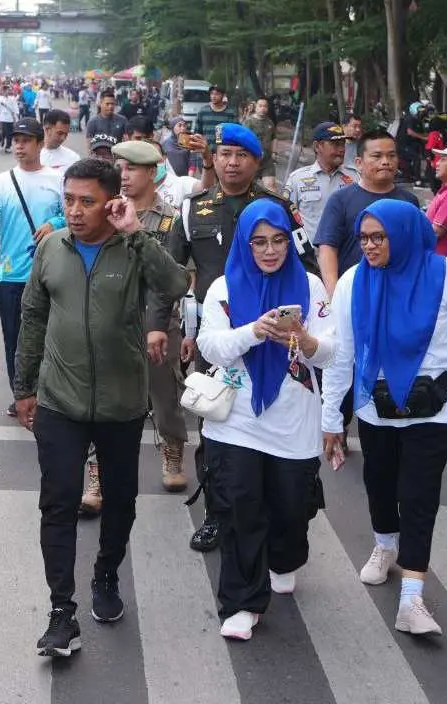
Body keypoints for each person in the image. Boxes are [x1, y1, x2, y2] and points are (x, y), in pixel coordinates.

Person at [321, 199, 447, 637]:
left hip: (434, 408)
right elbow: (341, 355)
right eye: (364, 238)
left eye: (379, 237)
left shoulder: (444, 276)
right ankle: (384, 545)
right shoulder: (353, 282)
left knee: (419, 495)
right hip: (375, 407)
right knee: (380, 485)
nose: (369, 246)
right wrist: (331, 418)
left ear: (403, 235)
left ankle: (411, 599)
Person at [15, 157, 188, 657]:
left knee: (120, 499)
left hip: (121, 403)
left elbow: (176, 285)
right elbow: (32, 317)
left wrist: (135, 234)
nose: (74, 210)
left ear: (112, 202)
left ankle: (106, 574)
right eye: (68, 200)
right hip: (60, 400)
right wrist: (24, 387)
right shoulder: (51, 248)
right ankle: (61, 611)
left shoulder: (134, 248)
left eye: (87, 201)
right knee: (58, 501)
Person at [160, 123, 316, 554]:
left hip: (278, 337)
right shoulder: (192, 209)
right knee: (215, 422)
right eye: (224, 154)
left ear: (256, 162)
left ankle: (271, 508)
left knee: (275, 420)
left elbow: (308, 267)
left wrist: (306, 327)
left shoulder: (278, 208)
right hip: (218, 335)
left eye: (241, 155)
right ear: (213, 158)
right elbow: (171, 275)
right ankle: (217, 512)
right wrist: (163, 326)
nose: (231, 163)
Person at [197, 198, 334, 641]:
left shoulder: (310, 286)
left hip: (293, 422)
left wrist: (306, 341)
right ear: (245, 243)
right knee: (239, 509)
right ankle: (241, 602)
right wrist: (253, 331)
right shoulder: (223, 288)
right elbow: (210, 347)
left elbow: (332, 352)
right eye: (259, 242)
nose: (270, 250)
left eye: (278, 240)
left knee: (290, 508)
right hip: (236, 421)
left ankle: (285, 556)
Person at [112, 140, 191, 492]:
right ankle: (98, 469)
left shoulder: (171, 218)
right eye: (120, 168)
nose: (123, 175)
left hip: (157, 318)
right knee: (105, 394)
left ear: (151, 172)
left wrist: (156, 324)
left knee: (164, 390)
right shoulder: (109, 212)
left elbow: (171, 277)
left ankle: (172, 451)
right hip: (113, 315)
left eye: (131, 169)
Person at [0, 118, 65, 417]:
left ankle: (46, 394)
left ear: (40, 144)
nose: (19, 146)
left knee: (50, 337)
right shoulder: (2, 182)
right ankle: (21, 394)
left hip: (50, 273)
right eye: (16, 140)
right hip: (11, 275)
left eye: (26, 140)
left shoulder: (56, 180)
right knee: (14, 338)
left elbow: (70, 215)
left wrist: (53, 223)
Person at [314, 130, 420, 298]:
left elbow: (416, 249)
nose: (385, 162)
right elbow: (327, 249)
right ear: (359, 163)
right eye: (377, 156)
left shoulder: (409, 202)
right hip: (354, 293)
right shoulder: (341, 200)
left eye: (391, 156)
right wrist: (334, 295)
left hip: (398, 293)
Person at [284, 122, 358, 245]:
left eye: (343, 144)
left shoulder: (355, 177)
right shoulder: (297, 179)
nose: (341, 149)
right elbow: (286, 219)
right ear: (317, 146)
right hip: (309, 253)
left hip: (344, 252)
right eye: (335, 144)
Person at [242, 97, 277, 191]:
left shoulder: (270, 123)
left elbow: (274, 138)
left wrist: (274, 153)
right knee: (248, 188)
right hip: (252, 159)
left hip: (267, 161)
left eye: (265, 106)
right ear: (256, 107)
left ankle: (272, 201)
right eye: (260, 106)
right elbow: (243, 140)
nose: (263, 108)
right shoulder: (249, 122)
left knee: (271, 185)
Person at [0, 84, 20, 154]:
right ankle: (2, 142)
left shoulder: (12, 99)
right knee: (3, 132)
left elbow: (15, 107)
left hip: (10, 118)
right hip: (2, 118)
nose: (6, 92)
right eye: (5, 90)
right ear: (2, 91)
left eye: (7, 90)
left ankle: (8, 146)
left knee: (10, 133)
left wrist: (16, 116)